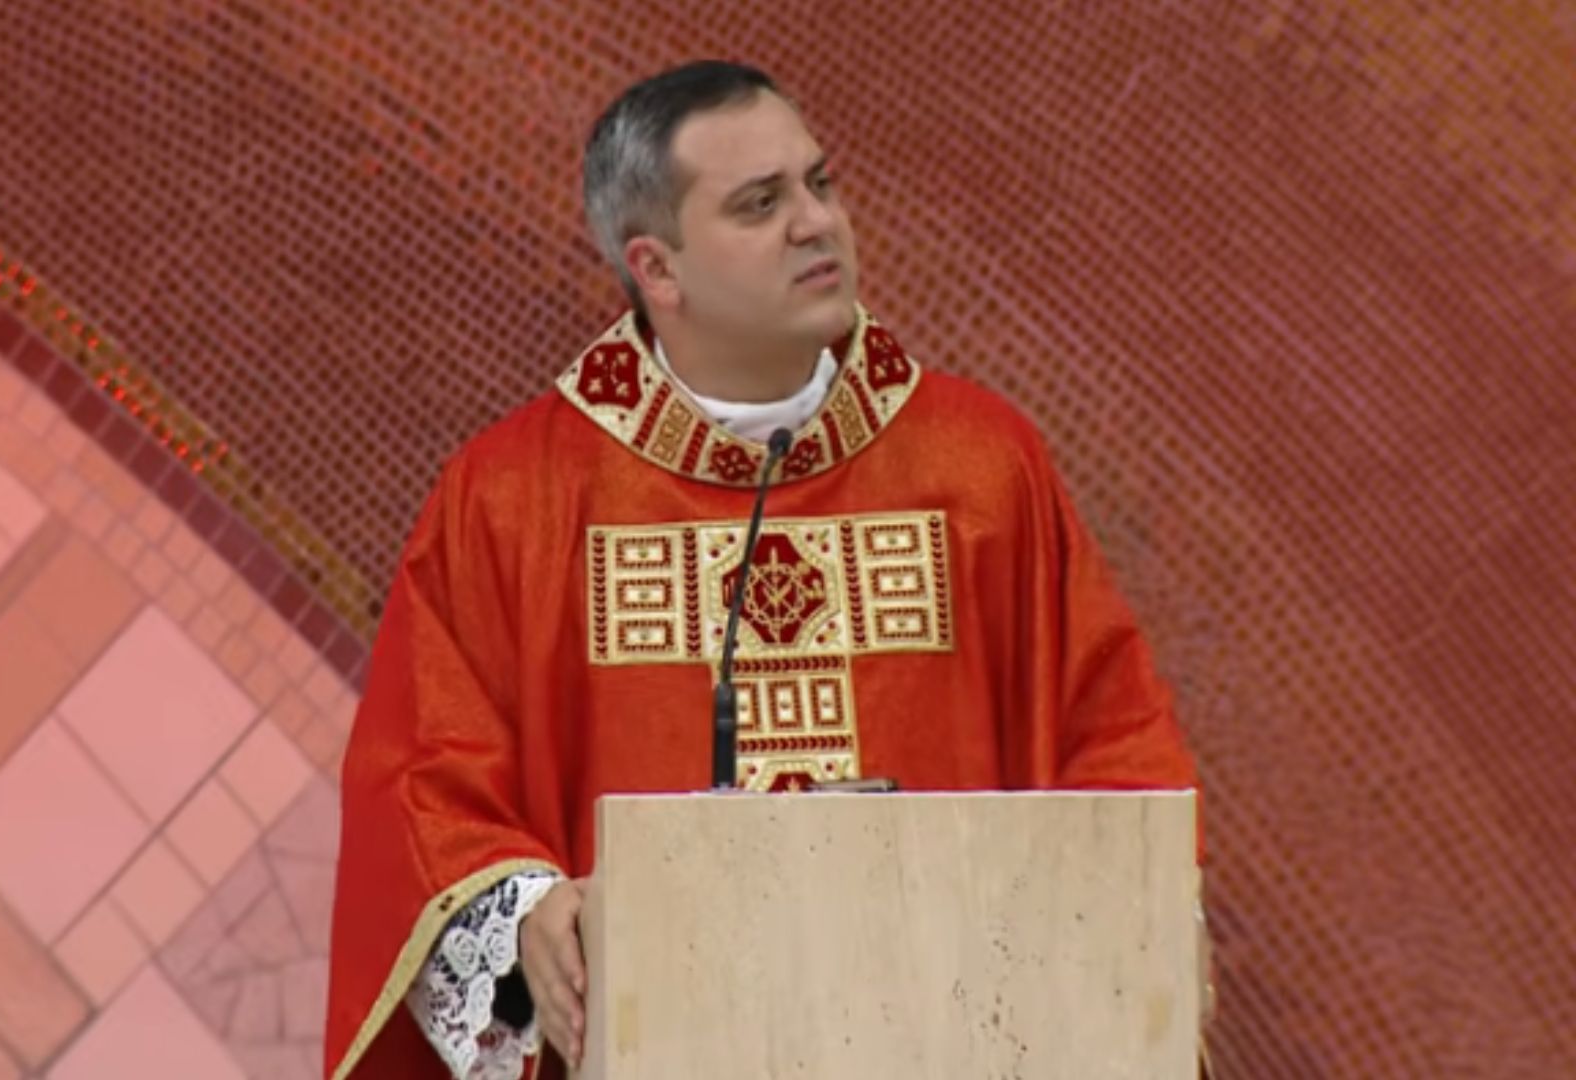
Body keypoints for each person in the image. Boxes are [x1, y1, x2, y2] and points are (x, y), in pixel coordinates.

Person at [323, 60, 1201, 1080]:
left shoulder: (977, 469)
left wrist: (1135, 928)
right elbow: (423, 781)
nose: (816, 223)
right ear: (658, 270)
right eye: (760, 204)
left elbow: (1114, 739)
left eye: (820, 184)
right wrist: (525, 912)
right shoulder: (518, 499)